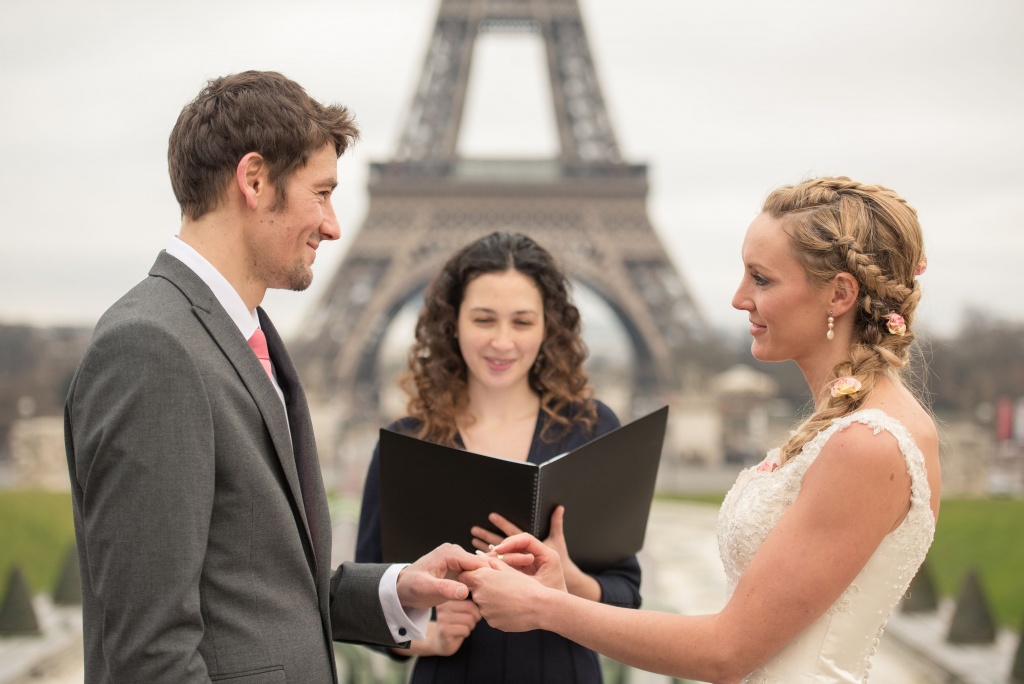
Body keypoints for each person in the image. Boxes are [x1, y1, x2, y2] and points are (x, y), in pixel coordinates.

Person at [63, 70, 488, 684]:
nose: (335, 225)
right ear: (255, 181)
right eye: (321, 193)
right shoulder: (151, 349)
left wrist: (397, 588)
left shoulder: (232, 332)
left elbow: (254, 583)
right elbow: (149, 653)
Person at [461, 177, 941, 683]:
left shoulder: (867, 444)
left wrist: (544, 608)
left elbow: (725, 652)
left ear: (840, 293)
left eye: (761, 279)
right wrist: (563, 589)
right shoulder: (863, 427)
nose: (738, 298)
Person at [355, 231, 643, 682]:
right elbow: (366, 600)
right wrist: (431, 636)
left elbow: (627, 596)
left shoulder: (592, 429)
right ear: (453, 323)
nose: (503, 342)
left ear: (549, 327)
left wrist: (567, 579)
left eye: (523, 322)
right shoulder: (406, 443)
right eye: (484, 320)